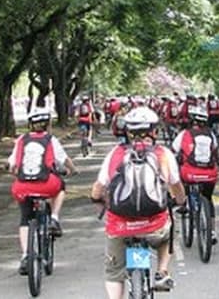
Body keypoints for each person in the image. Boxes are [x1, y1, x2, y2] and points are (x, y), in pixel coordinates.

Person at [90, 106, 185, 298]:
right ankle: (162, 272)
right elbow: (175, 185)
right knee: (170, 232)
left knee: (113, 273)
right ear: (154, 131)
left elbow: (98, 187)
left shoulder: (115, 154)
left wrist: (96, 199)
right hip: (154, 224)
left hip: (120, 226)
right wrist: (181, 202)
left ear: (128, 131)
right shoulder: (163, 154)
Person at [8, 108, 75, 274]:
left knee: (25, 217)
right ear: (48, 124)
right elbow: (64, 159)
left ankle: (26, 255)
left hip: (22, 187)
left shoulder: (21, 140)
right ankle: (54, 218)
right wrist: (72, 170)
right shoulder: (51, 140)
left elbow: (12, 165)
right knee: (61, 187)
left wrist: (17, 174)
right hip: (47, 184)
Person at [171, 106, 219, 243]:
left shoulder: (184, 134)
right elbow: (216, 151)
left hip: (190, 174)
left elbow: (174, 150)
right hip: (209, 175)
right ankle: (212, 231)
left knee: (180, 176)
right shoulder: (211, 134)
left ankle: (184, 204)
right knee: (208, 199)